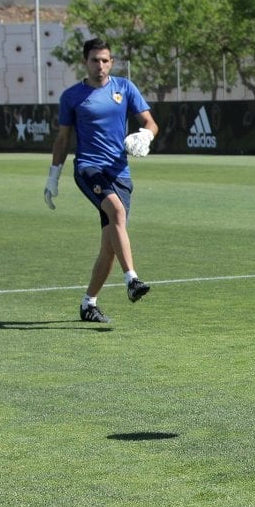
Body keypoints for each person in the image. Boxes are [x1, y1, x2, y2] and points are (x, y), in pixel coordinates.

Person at [44, 38, 158, 324]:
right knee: (116, 211)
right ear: (85, 62)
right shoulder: (72, 96)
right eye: (95, 60)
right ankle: (131, 279)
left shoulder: (125, 88)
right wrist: (53, 177)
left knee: (110, 245)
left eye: (105, 60)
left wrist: (146, 135)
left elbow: (150, 122)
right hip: (89, 168)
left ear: (112, 62)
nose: (100, 65)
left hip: (120, 172)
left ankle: (88, 303)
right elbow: (63, 139)